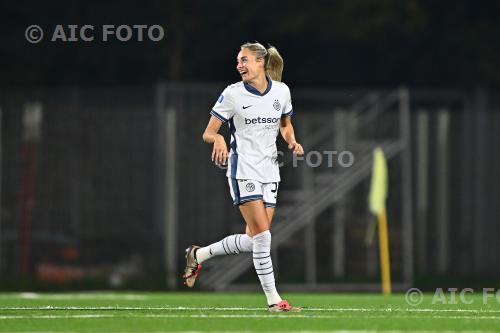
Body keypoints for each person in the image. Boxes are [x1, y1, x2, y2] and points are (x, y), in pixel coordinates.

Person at [182, 42, 304, 312]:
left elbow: (285, 124)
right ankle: (274, 301)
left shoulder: (281, 91)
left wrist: (292, 141)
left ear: (261, 62)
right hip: (243, 169)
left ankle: (198, 254)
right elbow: (208, 132)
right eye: (238, 60)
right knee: (263, 238)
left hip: (270, 170)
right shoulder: (233, 94)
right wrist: (219, 139)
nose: (240, 65)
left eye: (245, 60)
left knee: (254, 239)